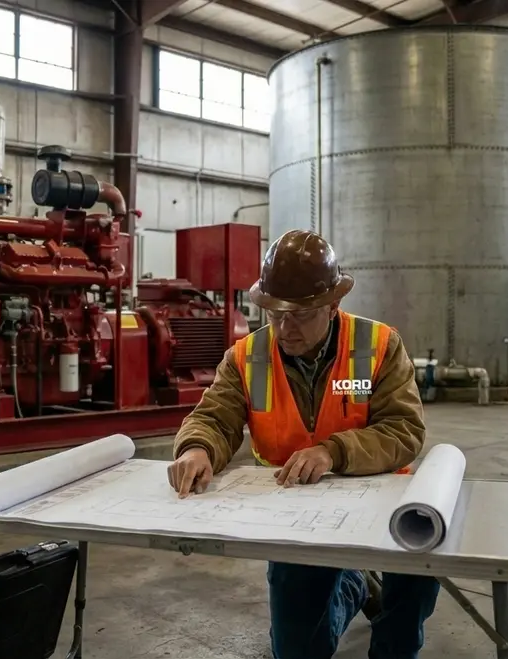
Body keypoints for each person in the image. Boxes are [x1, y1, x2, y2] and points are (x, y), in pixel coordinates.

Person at [166, 229, 437, 659]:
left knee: (414, 588)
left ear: (332, 306)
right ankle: (352, 585)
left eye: (300, 315)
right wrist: (197, 448)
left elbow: (404, 430)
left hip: (379, 502)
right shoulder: (246, 357)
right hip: (291, 512)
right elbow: (214, 417)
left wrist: (334, 451)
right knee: (297, 651)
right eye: (275, 314)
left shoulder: (378, 347)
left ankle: (390, 626)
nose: (284, 328)